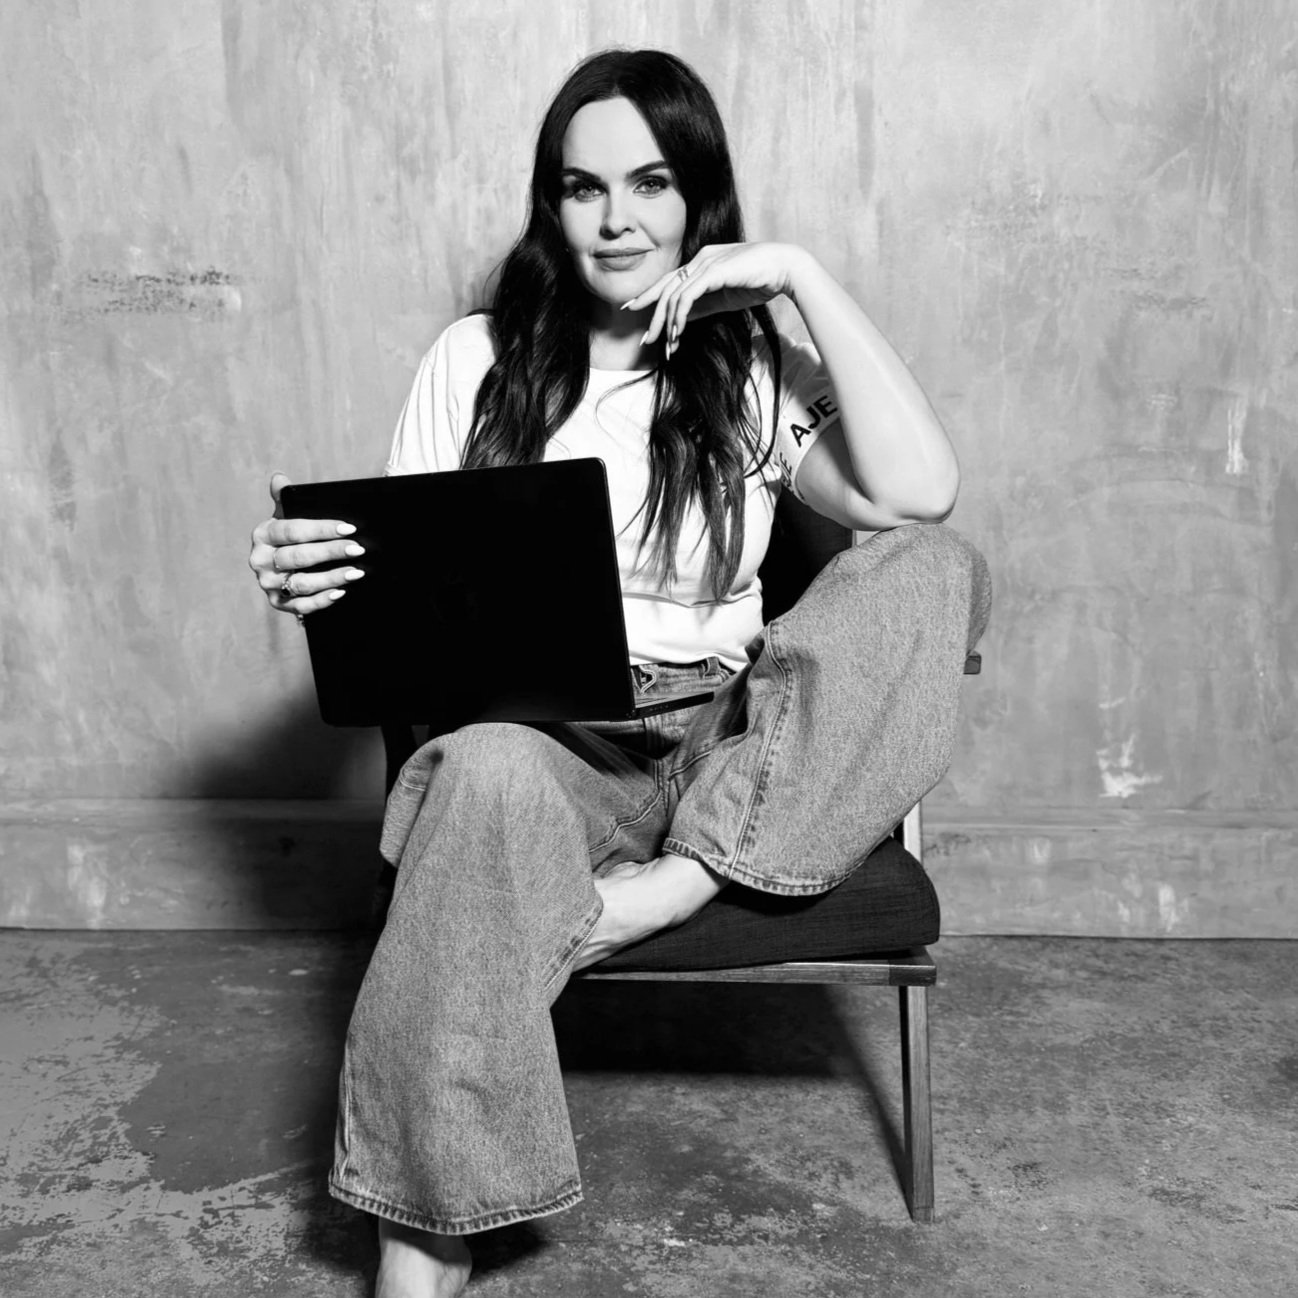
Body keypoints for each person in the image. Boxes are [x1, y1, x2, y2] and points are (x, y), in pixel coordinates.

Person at [248, 47, 989, 1298]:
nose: (617, 219)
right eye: (583, 187)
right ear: (551, 204)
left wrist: (797, 276)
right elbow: (407, 604)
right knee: (480, 770)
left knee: (931, 567)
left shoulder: (745, 365)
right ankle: (424, 1241)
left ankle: (671, 886)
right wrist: (318, 578)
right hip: (551, 741)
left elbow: (915, 494)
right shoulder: (473, 359)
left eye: (650, 183)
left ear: (696, 197)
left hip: (736, 741)